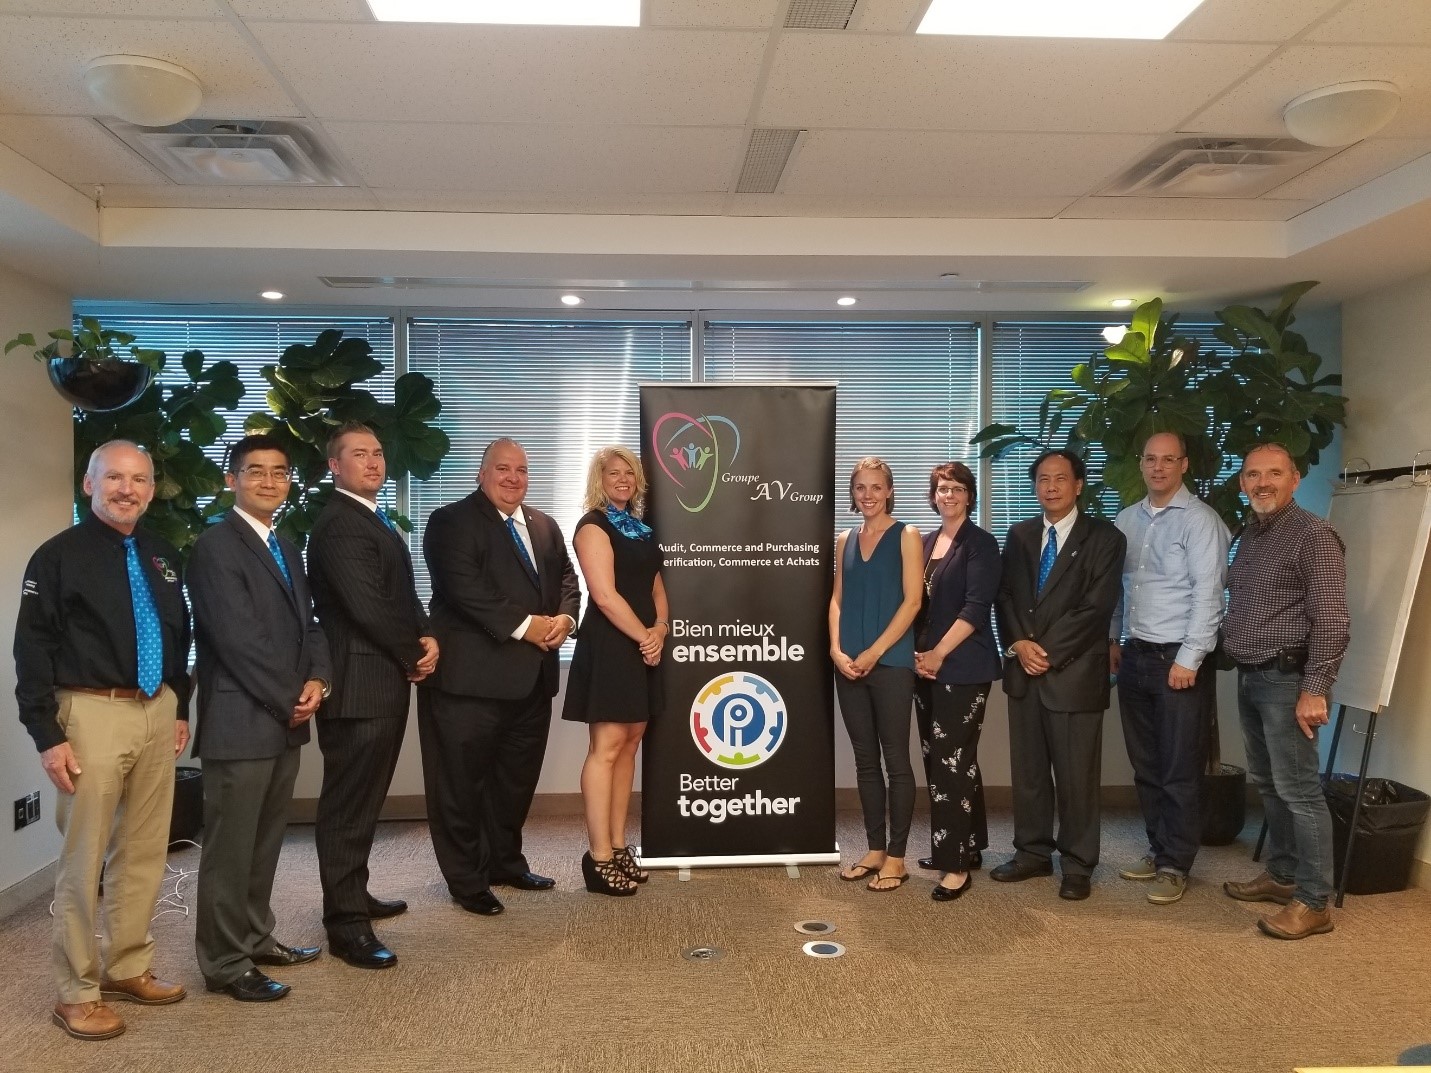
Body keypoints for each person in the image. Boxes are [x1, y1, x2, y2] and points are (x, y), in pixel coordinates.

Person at [15, 441, 191, 1040]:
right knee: (84, 858)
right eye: (113, 477)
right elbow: (31, 648)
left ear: (150, 488)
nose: (127, 488)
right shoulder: (57, 557)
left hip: (155, 710)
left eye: (138, 479)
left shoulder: (163, 554)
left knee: (143, 850)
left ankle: (126, 966)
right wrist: (47, 734)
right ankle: (75, 991)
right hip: (91, 714)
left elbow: (177, 635)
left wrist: (178, 706)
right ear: (89, 485)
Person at [189, 435, 331, 1002]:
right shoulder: (215, 547)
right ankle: (225, 963)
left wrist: (318, 680)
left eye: (279, 473)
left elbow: (309, 623)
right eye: (255, 472)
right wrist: (289, 695)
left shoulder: (284, 544)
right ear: (231, 480)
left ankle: (254, 935)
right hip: (242, 718)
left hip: (283, 716)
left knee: (265, 839)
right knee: (231, 848)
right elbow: (236, 639)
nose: (268, 482)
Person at [420, 438, 580, 916]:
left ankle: (505, 862)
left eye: (522, 470)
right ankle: (467, 880)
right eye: (503, 468)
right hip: (470, 682)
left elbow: (568, 582)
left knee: (514, 781)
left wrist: (566, 621)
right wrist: (531, 626)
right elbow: (466, 590)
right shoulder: (450, 521)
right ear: (481, 474)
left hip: (532, 681)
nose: (513, 478)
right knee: (460, 785)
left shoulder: (545, 526)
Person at [308, 423, 439, 968]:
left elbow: (399, 593)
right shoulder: (340, 524)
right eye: (358, 455)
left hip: (380, 681)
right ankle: (346, 926)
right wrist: (412, 652)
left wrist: (426, 630)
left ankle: (352, 895)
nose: (373, 462)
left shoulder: (371, 517)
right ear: (334, 467)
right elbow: (366, 605)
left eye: (378, 453)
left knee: (363, 802)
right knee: (347, 806)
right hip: (359, 686)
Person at [1222, 442, 1349, 939]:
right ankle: (1282, 874)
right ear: (1242, 483)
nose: (1263, 483)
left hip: (1291, 680)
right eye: (1253, 474)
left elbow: (1333, 620)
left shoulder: (1313, 535)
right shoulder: (1250, 533)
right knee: (1269, 781)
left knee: (1300, 790)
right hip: (1253, 674)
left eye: (1274, 473)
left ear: (1295, 479)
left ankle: (1315, 902)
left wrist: (1315, 688)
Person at [992, 449, 1125, 901]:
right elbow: (1004, 596)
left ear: (1079, 485)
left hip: (1073, 674)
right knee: (1028, 774)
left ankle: (1078, 863)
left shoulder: (1105, 538)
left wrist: (1044, 651)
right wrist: (1019, 645)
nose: (1051, 487)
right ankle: (1031, 853)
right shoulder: (1020, 534)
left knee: (1076, 778)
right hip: (1024, 672)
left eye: (1060, 479)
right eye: (1043, 480)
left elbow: (1096, 607)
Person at [1109, 432, 1231, 905]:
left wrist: (1189, 658)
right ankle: (1159, 848)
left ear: (1183, 465)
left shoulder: (1201, 522)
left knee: (1180, 768)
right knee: (1147, 766)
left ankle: (1176, 863)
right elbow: (1122, 588)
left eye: (1169, 460)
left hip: (1178, 659)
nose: (1159, 468)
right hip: (1137, 655)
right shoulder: (1127, 519)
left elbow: (1209, 596)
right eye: (1150, 460)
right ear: (1141, 464)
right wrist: (1113, 638)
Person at [562, 446, 668, 896]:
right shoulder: (593, 526)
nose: (622, 479)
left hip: (645, 644)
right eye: (613, 473)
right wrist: (645, 636)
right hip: (610, 645)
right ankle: (598, 856)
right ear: (599, 479)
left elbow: (657, 588)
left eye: (629, 473)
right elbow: (604, 596)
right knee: (606, 747)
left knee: (629, 745)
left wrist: (661, 628)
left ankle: (620, 846)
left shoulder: (641, 529)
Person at [830, 457, 923, 892]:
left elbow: (912, 603)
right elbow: (837, 600)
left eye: (876, 487)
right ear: (853, 493)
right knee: (865, 762)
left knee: (896, 761)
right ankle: (874, 848)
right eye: (860, 488)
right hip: (848, 664)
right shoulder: (844, 538)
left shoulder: (907, 535)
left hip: (890, 664)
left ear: (889, 491)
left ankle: (899, 857)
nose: (868, 495)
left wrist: (875, 651)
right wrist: (835, 648)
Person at [913, 462, 1002, 902]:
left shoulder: (980, 544)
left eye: (956, 488)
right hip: (925, 666)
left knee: (951, 762)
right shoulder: (927, 542)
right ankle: (968, 844)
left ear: (970, 495)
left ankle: (955, 866)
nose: (947, 495)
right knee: (945, 760)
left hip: (963, 667)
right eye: (941, 489)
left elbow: (975, 608)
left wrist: (938, 653)